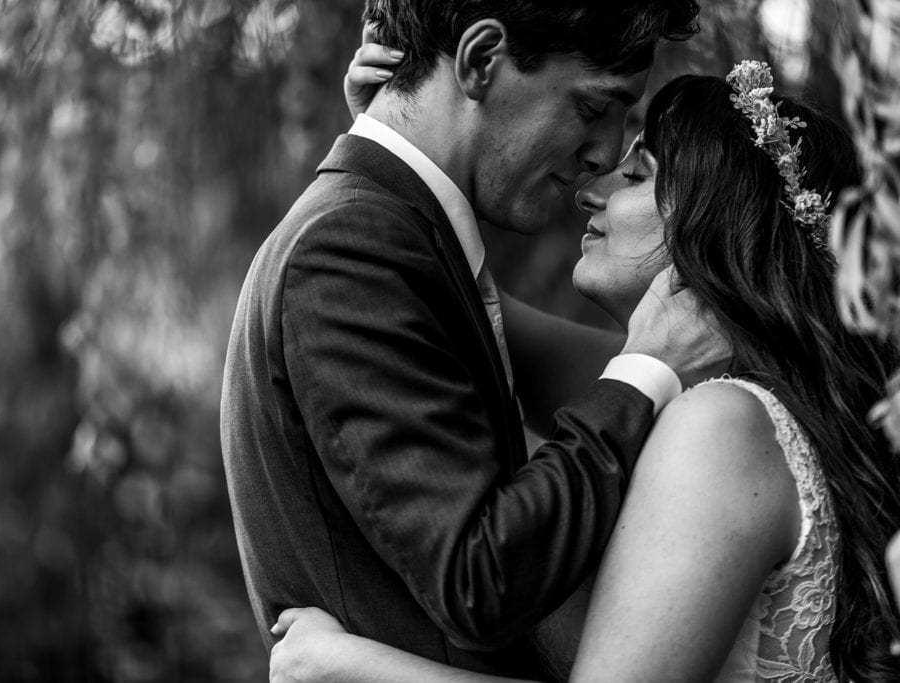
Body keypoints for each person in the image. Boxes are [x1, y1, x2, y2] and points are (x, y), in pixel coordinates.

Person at [268, 61, 900, 681]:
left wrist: (343, 667)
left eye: (637, 174)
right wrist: (401, 137)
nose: (590, 189)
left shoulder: (721, 425)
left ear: (721, 220)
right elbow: (432, 294)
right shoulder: (733, 399)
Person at [220, 1, 728, 680]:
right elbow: (480, 577)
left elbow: (674, 381)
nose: (604, 153)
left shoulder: (388, 240)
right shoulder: (349, 250)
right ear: (481, 60)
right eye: (592, 108)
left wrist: (389, 150)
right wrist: (645, 370)